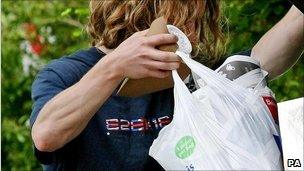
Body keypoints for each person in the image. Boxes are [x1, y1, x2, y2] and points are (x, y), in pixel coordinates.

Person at [30, 0, 303, 170]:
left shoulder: (196, 73)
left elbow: (256, 62)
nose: (194, 32)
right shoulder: (68, 74)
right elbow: (46, 135)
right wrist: (114, 68)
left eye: (199, 19)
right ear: (143, 10)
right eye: (185, 17)